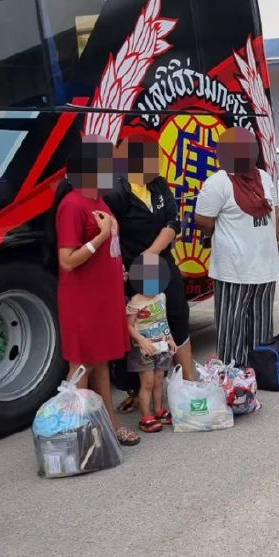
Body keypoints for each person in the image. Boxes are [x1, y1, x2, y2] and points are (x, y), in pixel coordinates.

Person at [52, 136, 137, 446]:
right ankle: (77, 433)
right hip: (82, 298)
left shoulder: (99, 201)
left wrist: (117, 266)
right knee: (82, 364)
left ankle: (109, 424)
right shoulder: (72, 205)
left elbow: (107, 247)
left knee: (101, 361)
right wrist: (100, 238)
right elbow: (67, 260)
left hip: (104, 292)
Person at [194, 127, 279, 368]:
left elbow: (274, 213)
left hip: (265, 268)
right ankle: (232, 375)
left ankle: (259, 370)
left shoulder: (264, 178)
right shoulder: (217, 183)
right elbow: (204, 221)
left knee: (261, 324)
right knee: (231, 326)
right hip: (233, 270)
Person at [106, 129, 194, 382]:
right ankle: (138, 390)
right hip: (133, 272)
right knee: (140, 325)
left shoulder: (159, 184)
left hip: (161, 264)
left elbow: (172, 222)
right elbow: (110, 234)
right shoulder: (116, 191)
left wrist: (151, 254)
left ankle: (189, 379)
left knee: (177, 315)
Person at [124, 253, 177, 434]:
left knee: (159, 380)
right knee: (146, 382)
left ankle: (159, 410)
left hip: (161, 346)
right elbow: (128, 326)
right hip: (143, 350)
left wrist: (170, 338)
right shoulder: (135, 303)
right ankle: (145, 416)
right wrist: (140, 339)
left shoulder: (161, 296)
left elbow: (163, 319)